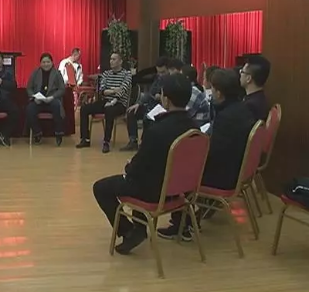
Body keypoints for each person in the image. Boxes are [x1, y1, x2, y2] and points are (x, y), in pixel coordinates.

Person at [93, 73, 197, 254]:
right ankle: (139, 228)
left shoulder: (157, 130)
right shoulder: (194, 127)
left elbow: (139, 168)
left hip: (156, 192)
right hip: (181, 190)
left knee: (101, 187)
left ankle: (130, 231)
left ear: (166, 99)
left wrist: (129, 166)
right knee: (141, 176)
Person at [158, 69, 256, 239]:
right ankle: (187, 219)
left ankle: (182, 225)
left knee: (174, 169)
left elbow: (212, 153)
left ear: (218, 92)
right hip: (238, 169)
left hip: (224, 176)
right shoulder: (242, 109)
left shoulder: (226, 117)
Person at [76, 53, 131, 154]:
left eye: (114, 59)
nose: (111, 61)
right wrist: (114, 90)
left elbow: (123, 90)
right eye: (110, 59)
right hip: (105, 101)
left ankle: (106, 141)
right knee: (84, 109)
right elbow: (102, 91)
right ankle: (85, 139)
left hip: (119, 103)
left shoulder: (127, 74)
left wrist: (113, 99)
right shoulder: (106, 74)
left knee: (109, 110)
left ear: (120, 62)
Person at [122, 56, 168, 151]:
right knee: (131, 112)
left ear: (168, 69)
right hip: (151, 105)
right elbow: (150, 93)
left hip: (162, 108)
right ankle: (133, 141)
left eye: (163, 72)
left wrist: (161, 97)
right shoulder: (157, 77)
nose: (160, 75)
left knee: (148, 117)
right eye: (158, 72)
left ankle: (146, 143)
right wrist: (139, 103)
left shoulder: (172, 80)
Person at [26, 53, 66, 146]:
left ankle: (58, 133)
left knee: (57, 106)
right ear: (40, 63)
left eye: (48, 62)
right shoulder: (35, 73)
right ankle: (37, 133)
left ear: (52, 63)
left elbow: (62, 89)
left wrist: (52, 97)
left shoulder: (57, 73)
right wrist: (34, 97)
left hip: (51, 99)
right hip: (38, 100)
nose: (46, 64)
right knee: (29, 109)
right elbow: (29, 88)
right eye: (43, 62)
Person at [240, 55, 271, 121]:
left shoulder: (250, 106)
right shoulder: (260, 98)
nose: (240, 74)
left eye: (242, 72)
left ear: (248, 78)